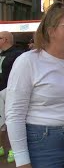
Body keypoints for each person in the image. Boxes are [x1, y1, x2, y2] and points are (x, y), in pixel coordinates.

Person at [5, 2, 64, 168]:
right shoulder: (27, 62)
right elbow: (15, 113)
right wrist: (22, 160)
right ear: (51, 30)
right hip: (42, 143)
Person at [0, 31, 25, 163]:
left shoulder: (18, 55)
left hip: (11, 92)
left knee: (11, 122)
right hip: (0, 92)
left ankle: (13, 150)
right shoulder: (1, 54)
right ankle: (1, 147)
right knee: (0, 124)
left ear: (5, 39)